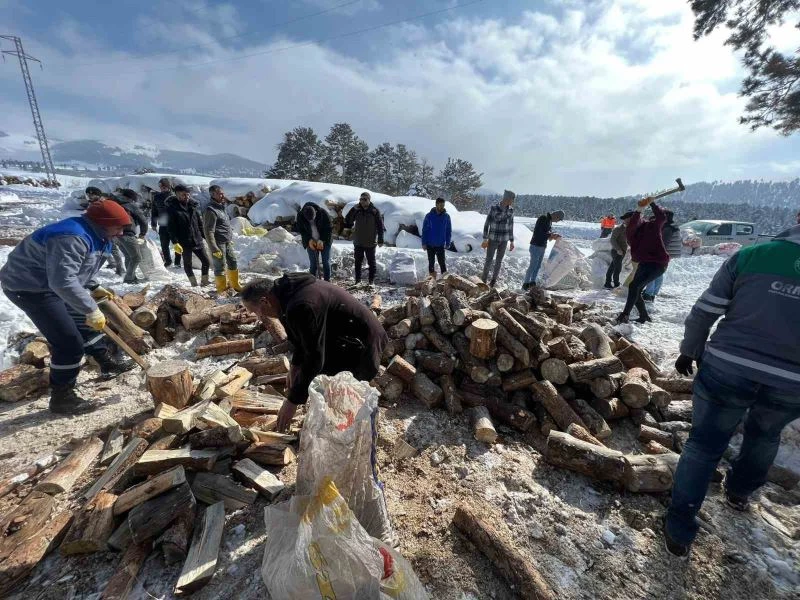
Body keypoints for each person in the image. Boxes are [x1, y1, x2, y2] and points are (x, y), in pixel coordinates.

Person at [664, 224, 800, 558]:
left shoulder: (752, 256)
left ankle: (679, 530)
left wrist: (690, 349)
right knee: (765, 435)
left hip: (729, 366)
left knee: (704, 443)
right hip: (791, 381)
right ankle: (740, 492)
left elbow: (705, 310)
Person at [0, 200, 136, 414]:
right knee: (68, 343)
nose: (121, 233)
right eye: (118, 227)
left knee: (86, 324)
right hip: (30, 287)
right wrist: (91, 308)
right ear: (104, 222)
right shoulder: (71, 237)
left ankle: (106, 363)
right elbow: (62, 281)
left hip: (53, 283)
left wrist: (93, 285)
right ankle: (62, 397)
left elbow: (79, 268)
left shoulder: (101, 235)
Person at [241, 274, 388, 432]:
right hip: (344, 337)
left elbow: (315, 358)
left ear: (264, 301)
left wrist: (292, 401)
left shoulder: (301, 305)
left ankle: (355, 428)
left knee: (333, 388)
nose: (259, 317)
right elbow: (300, 338)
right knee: (314, 379)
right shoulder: (284, 296)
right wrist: (295, 365)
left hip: (364, 346)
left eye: (255, 311)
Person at [615, 198, 669, 324]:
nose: (626, 221)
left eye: (628, 218)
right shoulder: (630, 232)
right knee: (636, 289)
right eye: (625, 220)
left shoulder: (652, 226)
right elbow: (634, 224)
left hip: (658, 263)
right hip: (644, 263)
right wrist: (639, 209)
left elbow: (662, 217)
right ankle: (644, 316)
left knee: (634, 286)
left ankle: (625, 314)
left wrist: (652, 204)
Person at [167, 184, 210, 287]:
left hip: (197, 240)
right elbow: (171, 228)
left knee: (206, 262)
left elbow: (199, 224)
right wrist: (175, 242)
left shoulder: (193, 206)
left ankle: (204, 281)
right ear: (177, 195)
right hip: (184, 242)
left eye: (187, 195)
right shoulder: (173, 209)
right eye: (183, 195)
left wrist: (205, 237)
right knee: (188, 264)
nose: (186, 197)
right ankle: (193, 283)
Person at [204, 184, 242, 293]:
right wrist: (214, 247)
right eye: (219, 194)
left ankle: (235, 284)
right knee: (220, 266)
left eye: (222, 193)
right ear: (213, 195)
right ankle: (221, 289)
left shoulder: (221, 206)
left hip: (227, 241)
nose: (222, 195)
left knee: (233, 261)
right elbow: (208, 230)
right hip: (218, 242)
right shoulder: (210, 210)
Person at [344, 191, 384, 285]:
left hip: (370, 242)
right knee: (358, 262)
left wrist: (380, 239)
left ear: (369, 200)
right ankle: (358, 281)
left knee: (371, 262)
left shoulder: (375, 211)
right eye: (361, 199)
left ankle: (371, 281)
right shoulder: (357, 210)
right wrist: (353, 210)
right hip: (358, 241)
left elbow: (380, 226)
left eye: (364, 199)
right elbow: (348, 221)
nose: (362, 201)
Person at [85, 186, 125, 276]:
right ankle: (112, 263)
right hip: (97, 229)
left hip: (108, 229)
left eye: (92, 194)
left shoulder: (104, 203)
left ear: (98, 195)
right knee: (102, 248)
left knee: (113, 248)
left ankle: (120, 268)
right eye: (88, 195)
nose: (90, 196)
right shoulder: (92, 203)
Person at [642, 210, 681, 302]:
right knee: (659, 273)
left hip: (663, 253)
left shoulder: (667, 228)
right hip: (668, 253)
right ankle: (652, 293)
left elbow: (663, 243)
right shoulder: (673, 226)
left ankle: (648, 294)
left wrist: (654, 252)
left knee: (652, 272)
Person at [481, 190, 516, 287]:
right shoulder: (494, 208)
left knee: (499, 261)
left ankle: (493, 281)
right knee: (489, 260)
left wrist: (512, 241)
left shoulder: (511, 210)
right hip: (493, 239)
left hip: (504, 240)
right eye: (512, 199)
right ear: (507, 198)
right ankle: (483, 281)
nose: (512, 201)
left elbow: (511, 226)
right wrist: (485, 238)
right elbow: (487, 224)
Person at [523, 210, 563, 290]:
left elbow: (546, 234)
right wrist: (551, 235)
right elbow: (539, 233)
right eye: (558, 220)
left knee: (537, 266)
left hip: (542, 246)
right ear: (556, 216)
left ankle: (532, 282)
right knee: (533, 266)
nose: (557, 222)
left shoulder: (549, 221)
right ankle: (525, 283)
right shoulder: (543, 218)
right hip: (536, 245)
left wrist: (552, 235)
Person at [295, 202, 332, 281]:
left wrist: (322, 240)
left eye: (313, 219)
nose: (311, 221)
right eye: (309, 220)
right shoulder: (300, 216)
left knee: (326, 262)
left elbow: (328, 228)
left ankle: (327, 281)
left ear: (315, 212)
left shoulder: (323, 213)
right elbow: (301, 230)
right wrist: (309, 240)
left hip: (325, 240)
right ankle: (312, 282)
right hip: (310, 241)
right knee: (313, 263)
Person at [150, 177, 180, 269]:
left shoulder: (175, 197)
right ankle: (168, 261)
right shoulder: (157, 197)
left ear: (169, 187)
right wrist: (153, 224)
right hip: (163, 223)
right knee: (164, 244)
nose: (162, 189)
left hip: (174, 224)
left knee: (176, 243)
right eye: (161, 187)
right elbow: (154, 211)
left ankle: (177, 262)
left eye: (164, 187)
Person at [421, 197, 452, 279]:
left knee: (442, 263)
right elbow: (425, 230)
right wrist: (424, 243)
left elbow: (448, 230)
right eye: (440, 205)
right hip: (430, 244)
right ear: (436, 204)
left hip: (440, 244)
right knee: (431, 263)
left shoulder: (446, 217)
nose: (442, 207)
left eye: (443, 205)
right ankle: (432, 281)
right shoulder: (429, 216)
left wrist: (448, 242)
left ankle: (445, 281)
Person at [604, 212, 634, 289]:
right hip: (616, 251)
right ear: (625, 219)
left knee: (612, 267)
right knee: (617, 268)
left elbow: (628, 241)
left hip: (622, 251)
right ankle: (616, 284)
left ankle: (607, 283)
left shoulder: (628, 229)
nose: (630, 221)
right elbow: (613, 240)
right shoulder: (618, 228)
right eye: (628, 219)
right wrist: (618, 249)